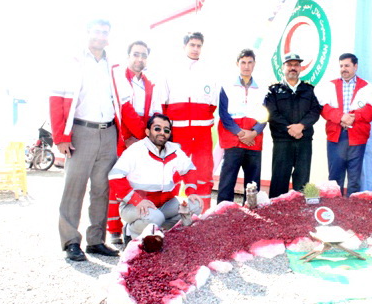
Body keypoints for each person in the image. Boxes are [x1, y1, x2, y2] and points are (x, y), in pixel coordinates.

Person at [50, 19, 121, 261]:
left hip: (108, 132)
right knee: (75, 188)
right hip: (81, 131)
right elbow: (56, 99)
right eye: (97, 31)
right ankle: (71, 241)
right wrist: (60, 137)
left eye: (105, 32)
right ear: (88, 33)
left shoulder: (113, 65)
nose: (101, 36)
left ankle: (96, 240)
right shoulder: (72, 61)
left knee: (102, 189)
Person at [108, 114, 199, 239]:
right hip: (134, 205)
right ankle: (130, 230)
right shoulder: (136, 150)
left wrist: (191, 192)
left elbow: (189, 169)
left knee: (195, 206)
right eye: (157, 128)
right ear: (147, 132)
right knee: (156, 218)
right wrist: (136, 200)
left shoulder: (174, 149)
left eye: (166, 130)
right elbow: (115, 176)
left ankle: (160, 232)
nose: (162, 133)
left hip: (164, 203)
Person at [107, 40, 161, 244]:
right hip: (123, 135)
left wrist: (149, 138)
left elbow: (155, 112)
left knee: (138, 183)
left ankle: (133, 227)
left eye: (144, 55)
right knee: (117, 183)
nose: (140, 59)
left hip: (141, 136)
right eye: (136, 54)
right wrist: (138, 137)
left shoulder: (150, 83)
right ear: (128, 56)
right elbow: (124, 109)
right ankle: (113, 229)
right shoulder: (120, 77)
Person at [158, 32, 217, 212]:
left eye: (199, 45)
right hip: (178, 131)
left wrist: (201, 119)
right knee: (174, 171)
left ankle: (203, 214)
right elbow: (162, 102)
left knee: (203, 172)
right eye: (192, 45)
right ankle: (170, 214)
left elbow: (213, 103)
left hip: (202, 132)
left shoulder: (209, 71)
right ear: (184, 46)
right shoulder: (171, 70)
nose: (195, 49)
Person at [317, 53, 372, 196]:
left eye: (347, 65)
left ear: (355, 66)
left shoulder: (367, 86)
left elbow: (371, 110)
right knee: (334, 178)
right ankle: (335, 207)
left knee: (354, 178)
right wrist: (341, 117)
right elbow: (323, 109)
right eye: (341, 66)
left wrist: (355, 117)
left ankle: (352, 207)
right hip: (336, 137)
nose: (343, 69)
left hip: (357, 137)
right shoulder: (330, 85)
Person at [265, 53, 321, 198]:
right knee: (279, 181)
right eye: (289, 65)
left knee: (302, 182)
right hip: (282, 141)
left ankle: (299, 210)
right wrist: (289, 129)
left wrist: (301, 126)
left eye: (296, 65)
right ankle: (276, 210)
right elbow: (271, 113)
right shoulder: (273, 90)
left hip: (304, 141)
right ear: (283, 67)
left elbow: (315, 111)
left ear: (300, 68)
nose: (293, 68)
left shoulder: (309, 90)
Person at [217, 49, 267, 204]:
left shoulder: (262, 88)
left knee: (253, 183)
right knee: (227, 180)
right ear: (237, 64)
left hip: (254, 140)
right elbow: (224, 114)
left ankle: (251, 213)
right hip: (233, 139)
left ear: (254, 64)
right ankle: (222, 212)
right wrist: (240, 133)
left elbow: (265, 115)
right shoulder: (227, 86)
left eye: (250, 62)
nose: (246, 66)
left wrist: (254, 132)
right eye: (243, 62)